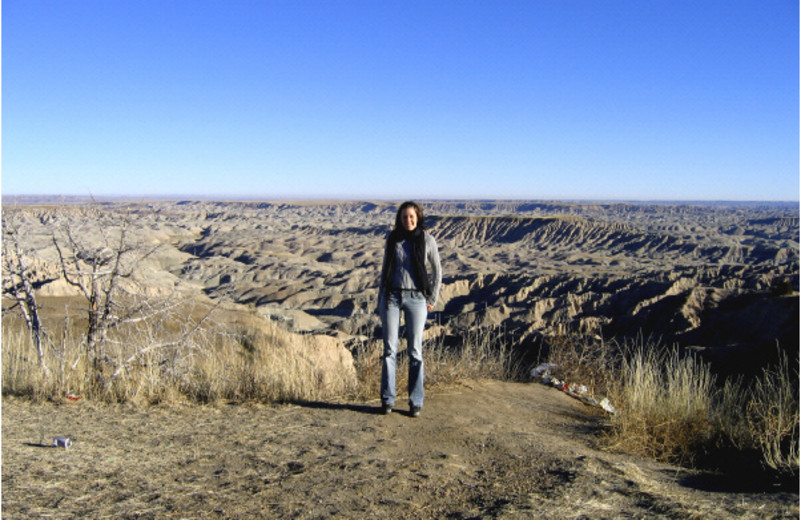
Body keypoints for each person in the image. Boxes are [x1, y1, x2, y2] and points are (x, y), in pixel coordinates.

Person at [378, 201, 442, 417]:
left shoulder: (427, 239)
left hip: (417, 298)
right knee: (389, 350)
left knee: (415, 351)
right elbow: (386, 267)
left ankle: (416, 401)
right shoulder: (393, 238)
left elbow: (437, 270)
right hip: (392, 296)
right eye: (404, 217)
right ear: (400, 219)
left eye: (412, 216)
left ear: (418, 217)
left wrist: (432, 297)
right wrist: (381, 297)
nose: (408, 220)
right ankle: (387, 399)